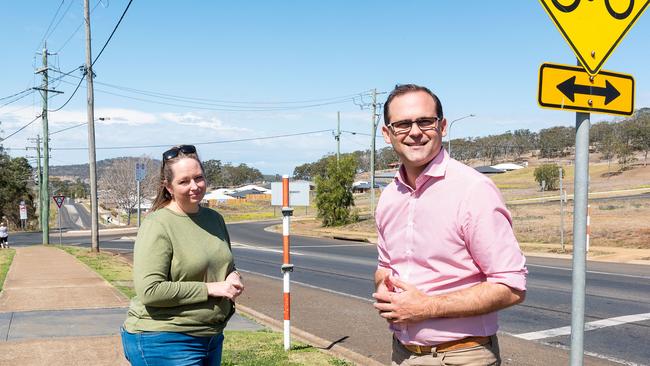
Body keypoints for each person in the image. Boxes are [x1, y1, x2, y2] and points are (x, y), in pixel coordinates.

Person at [372, 84, 527, 366]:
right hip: (402, 353)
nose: (415, 131)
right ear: (387, 133)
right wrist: (384, 284)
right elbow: (385, 267)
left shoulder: (473, 190)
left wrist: (425, 307)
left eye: (425, 121)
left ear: (442, 126)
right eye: (403, 124)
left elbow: (511, 286)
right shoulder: (389, 196)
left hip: (460, 356)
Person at [121, 144, 244, 366]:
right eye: (184, 181)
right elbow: (150, 291)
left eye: (199, 178)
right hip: (164, 339)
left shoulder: (214, 219)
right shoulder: (157, 224)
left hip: (211, 336)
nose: (194, 186)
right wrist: (212, 288)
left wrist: (233, 276)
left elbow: (225, 264)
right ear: (168, 186)